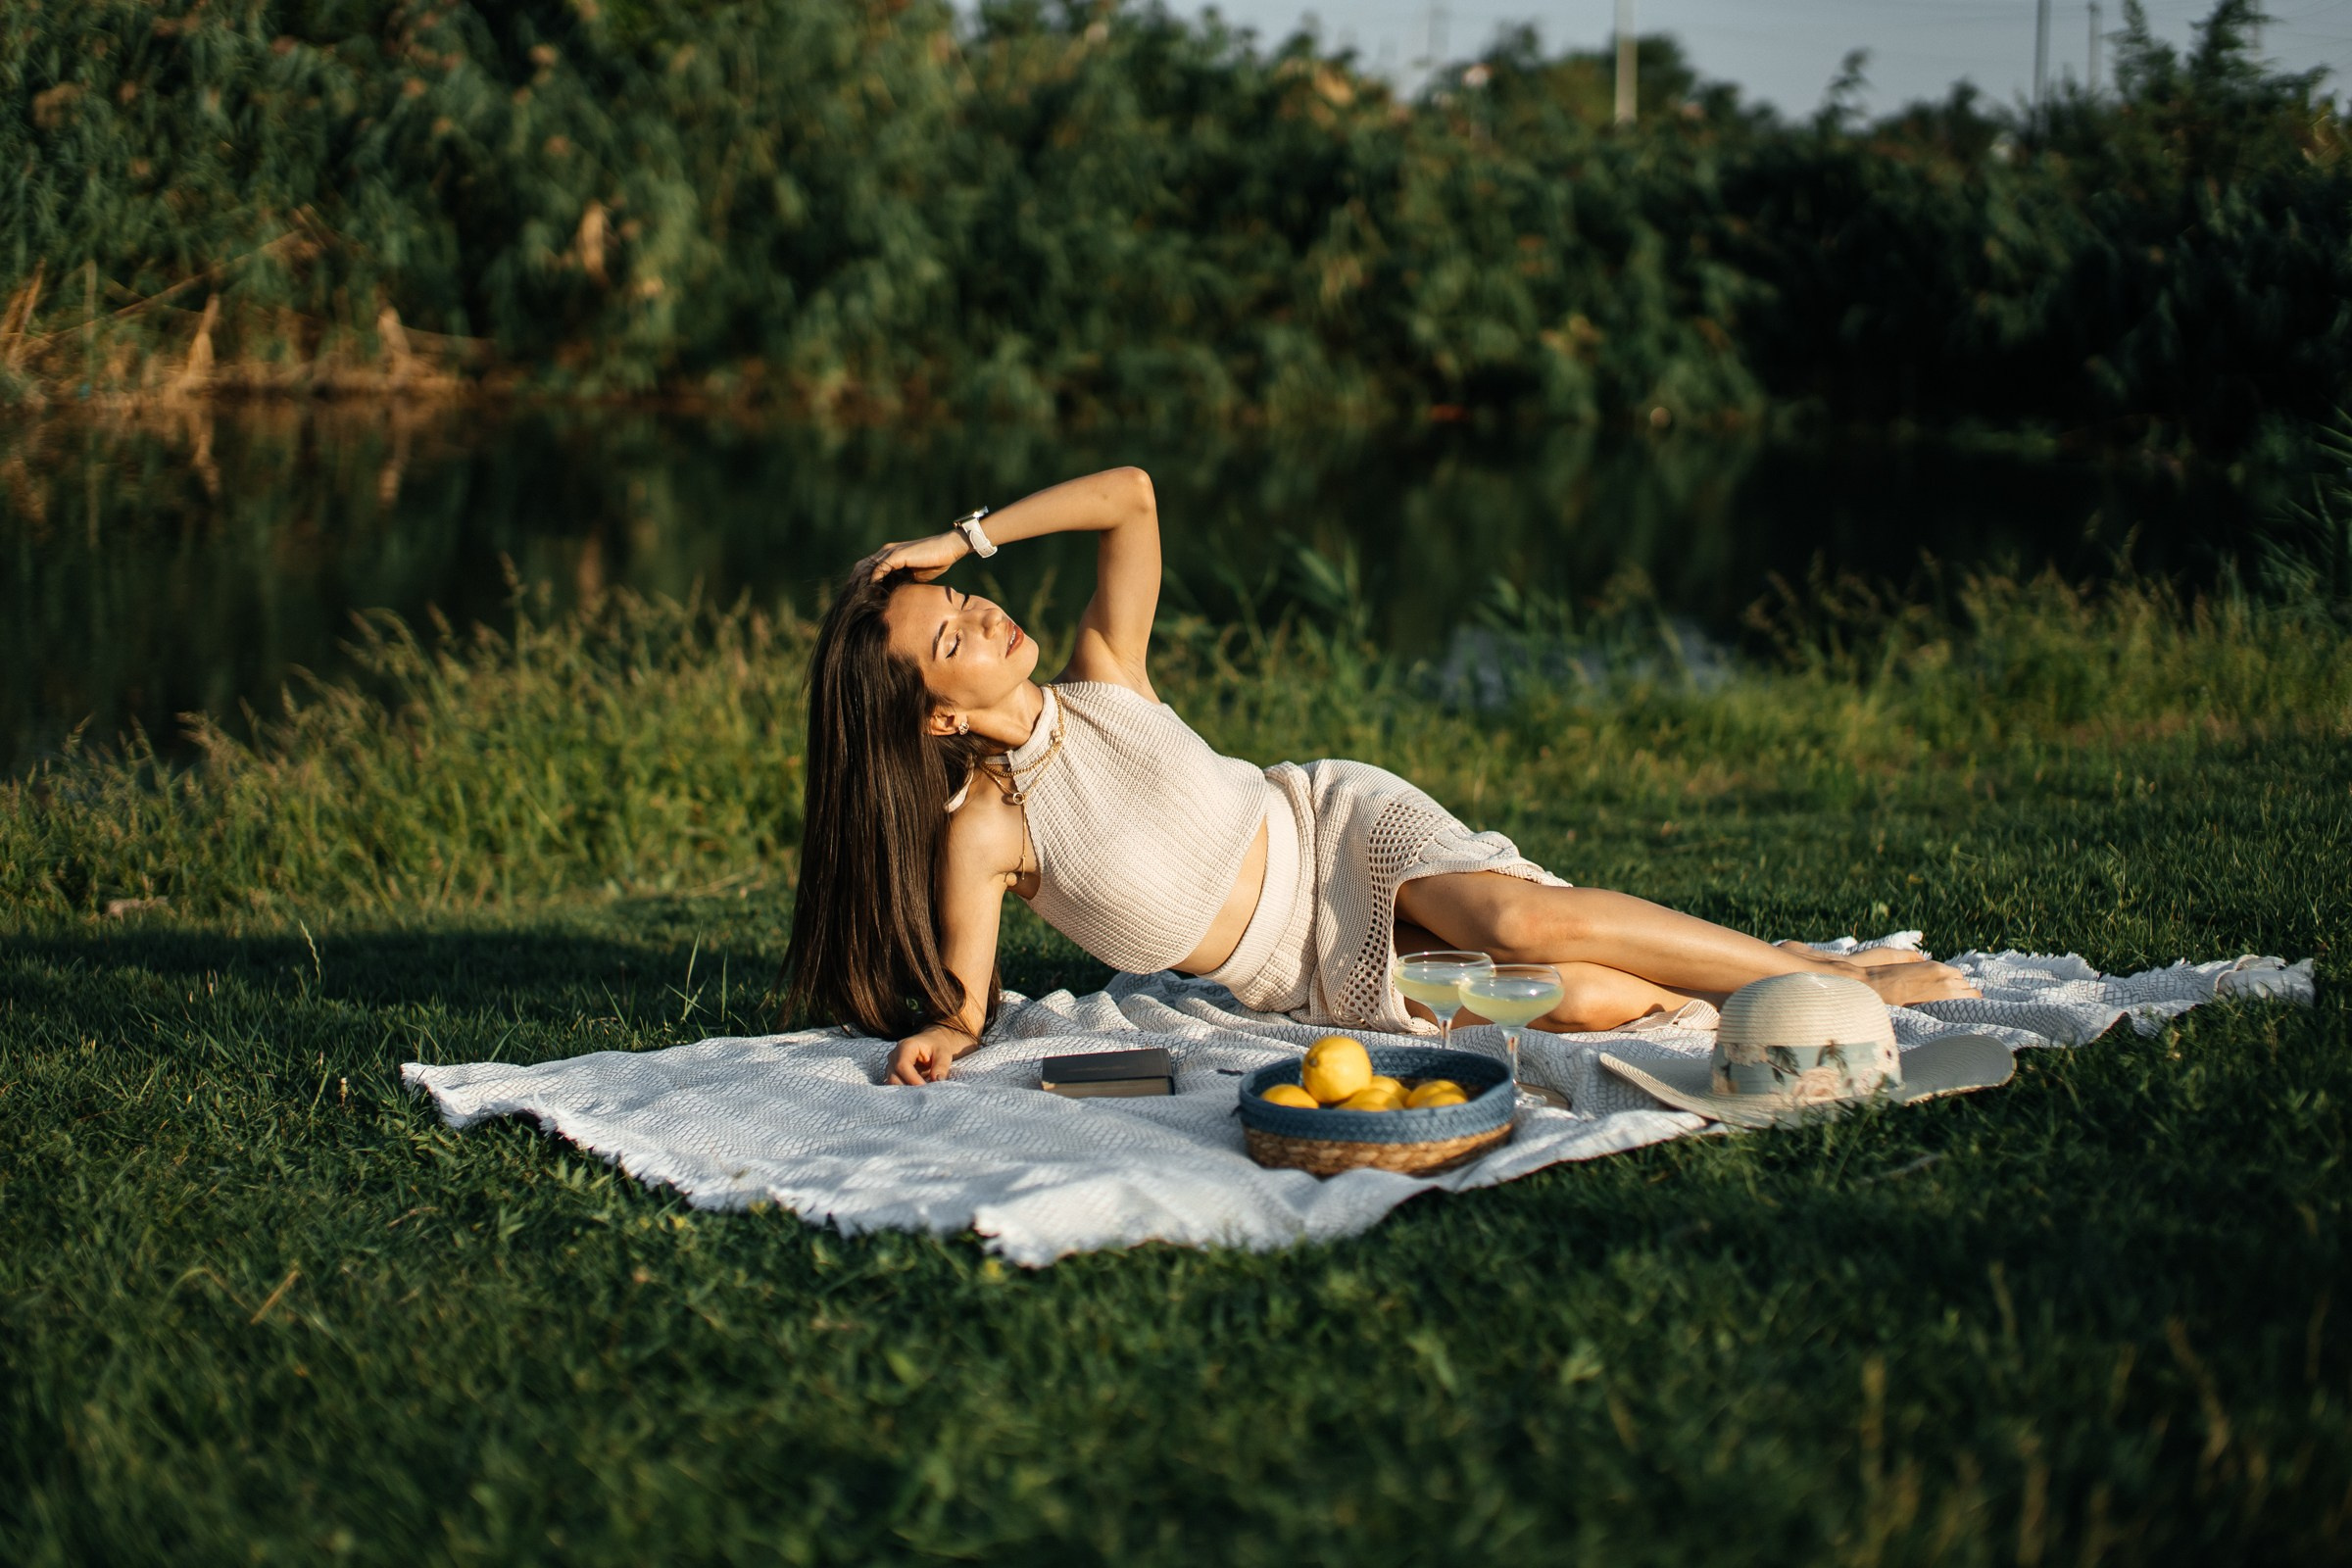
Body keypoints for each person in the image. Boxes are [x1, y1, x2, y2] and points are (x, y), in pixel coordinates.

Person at [783, 467, 1980, 1085]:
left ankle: (1828, 981)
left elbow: (1133, 497)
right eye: (953, 635)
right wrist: (944, 1033)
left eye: (964, 600)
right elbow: (965, 997)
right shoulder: (986, 831)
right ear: (936, 716)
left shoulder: (1106, 673)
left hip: (1340, 827)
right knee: (1573, 996)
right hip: (1310, 974)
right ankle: (1734, 993)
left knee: (1510, 917)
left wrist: (963, 535)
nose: (983, 615)